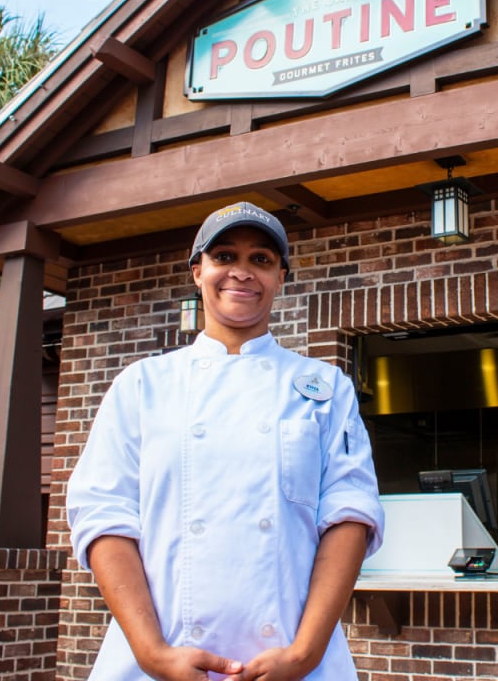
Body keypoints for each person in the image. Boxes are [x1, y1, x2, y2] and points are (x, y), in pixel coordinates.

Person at [67, 201, 385, 681]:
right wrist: (153, 654)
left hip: (294, 662)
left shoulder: (326, 388)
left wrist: (304, 655)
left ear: (280, 277)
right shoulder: (142, 385)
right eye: (224, 257)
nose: (242, 271)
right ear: (198, 272)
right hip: (156, 659)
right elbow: (104, 515)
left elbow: (350, 514)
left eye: (261, 259)